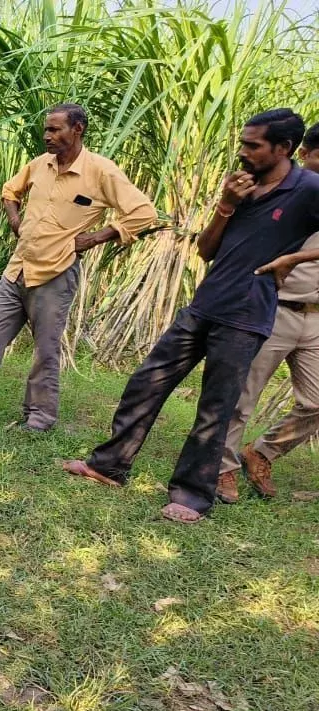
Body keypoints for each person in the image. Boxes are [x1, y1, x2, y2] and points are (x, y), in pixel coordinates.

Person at [65, 109, 319, 524]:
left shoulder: (308, 188)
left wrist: (296, 256)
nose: (243, 151)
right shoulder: (242, 185)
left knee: (215, 409)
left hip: (246, 316)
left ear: (284, 148)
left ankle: (192, 496)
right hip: (205, 304)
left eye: (253, 145)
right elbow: (205, 250)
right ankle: (108, 465)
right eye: (242, 142)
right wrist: (225, 205)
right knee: (146, 383)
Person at [0, 103, 156, 430]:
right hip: (18, 268)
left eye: (55, 129)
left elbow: (143, 212)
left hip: (56, 274)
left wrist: (95, 237)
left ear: (77, 129)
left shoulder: (101, 171)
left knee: (45, 351)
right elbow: (10, 190)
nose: (47, 136)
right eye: (46, 129)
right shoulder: (40, 165)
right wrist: (14, 219)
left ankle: (39, 417)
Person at [217, 123, 319, 501]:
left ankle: (262, 452)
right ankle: (221, 468)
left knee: (316, 401)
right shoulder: (284, 194)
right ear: (304, 153)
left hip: (315, 316)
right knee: (242, 397)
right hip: (273, 309)